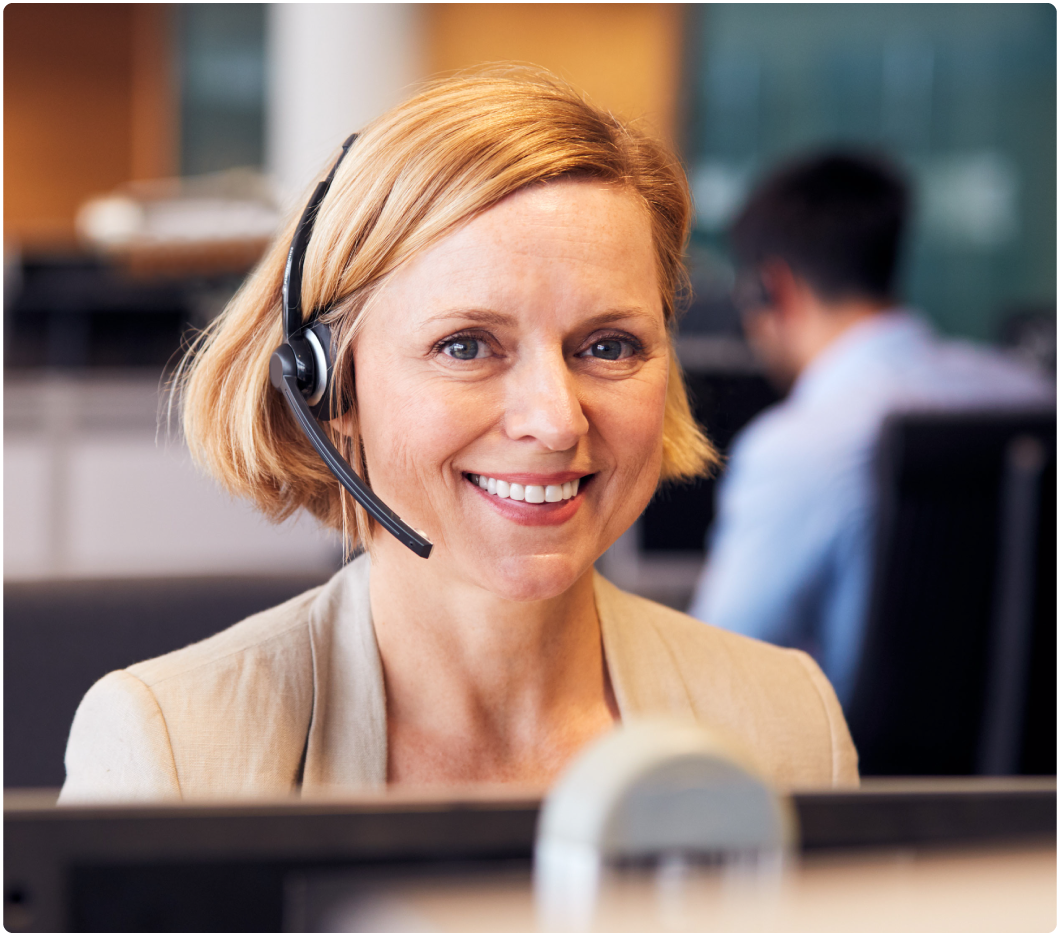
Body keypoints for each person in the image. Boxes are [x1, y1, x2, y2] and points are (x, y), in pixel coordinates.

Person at [60, 73, 857, 802]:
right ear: (330, 386)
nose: (554, 420)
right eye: (467, 346)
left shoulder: (786, 728)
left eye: (608, 346)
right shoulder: (175, 753)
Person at [688, 152, 1055, 706]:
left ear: (774, 288)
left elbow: (718, 661)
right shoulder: (1032, 396)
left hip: (860, 780)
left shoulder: (800, 445)